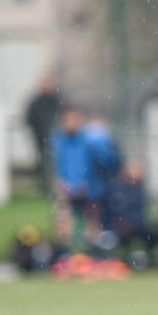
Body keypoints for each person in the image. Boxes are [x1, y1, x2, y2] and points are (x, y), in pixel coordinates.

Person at [53, 106, 95, 250]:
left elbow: (91, 167)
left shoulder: (88, 141)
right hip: (66, 190)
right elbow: (59, 166)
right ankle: (65, 249)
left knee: (91, 222)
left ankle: (89, 249)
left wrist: (85, 184)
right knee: (63, 218)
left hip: (88, 191)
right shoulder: (59, 141)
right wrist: (61, 183)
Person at [107, 159, 158, 266]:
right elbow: (113, 210)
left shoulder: (140, 191)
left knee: (156, 234)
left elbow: (140, 214)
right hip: (117, 226)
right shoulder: (116, 189)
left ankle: (147, 259)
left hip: (136, 226)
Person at [25, 75, 64, 195]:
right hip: (41, 140)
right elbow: (30, 119)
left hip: (57, 141)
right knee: (45, 165)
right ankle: (48, 188)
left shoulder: (58, 101)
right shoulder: (36, 102)